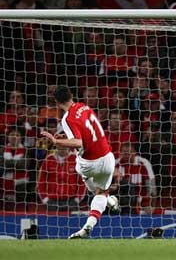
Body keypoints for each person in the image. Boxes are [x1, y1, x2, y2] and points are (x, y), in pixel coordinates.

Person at [40, 86, 119, 239]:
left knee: (80, 169)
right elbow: (85, 129)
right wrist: (65, 135)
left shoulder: (67, 118)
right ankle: (89, 224)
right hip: (107, 157)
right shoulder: (84, 106)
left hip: (89, 163)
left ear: (56, 102)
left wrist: (56, 141)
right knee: (101, 193)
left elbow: (78, 142)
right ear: (71, 95)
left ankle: (104, 198)